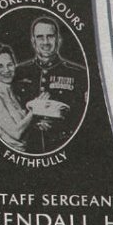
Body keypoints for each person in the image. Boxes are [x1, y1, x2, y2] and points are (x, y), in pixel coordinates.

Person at [14, 16, 88, 154]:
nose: (45, 42)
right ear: (33, 41)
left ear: (58, 40)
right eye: (40, 37)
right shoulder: (18, 72)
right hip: (27, 147)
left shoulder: (79, 74)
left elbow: (84, 115)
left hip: (64, 145)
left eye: (50, 36)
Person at [0, 42, 45, 152]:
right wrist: (36, 109)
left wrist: (38, 124)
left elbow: (23, 123)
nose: (6, 70)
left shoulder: (15, 92)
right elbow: (16, 133)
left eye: (10, 64)